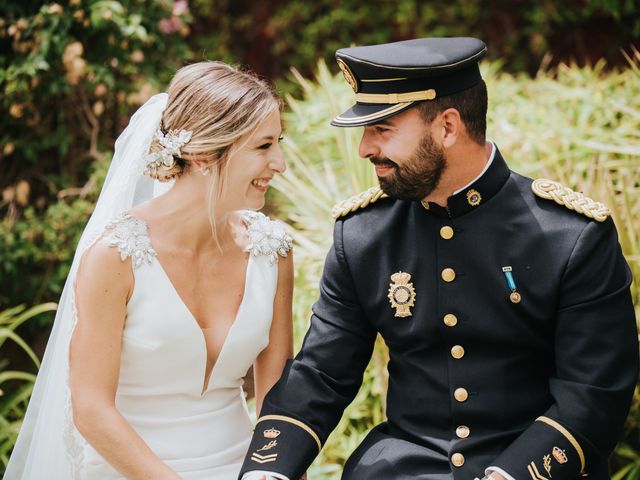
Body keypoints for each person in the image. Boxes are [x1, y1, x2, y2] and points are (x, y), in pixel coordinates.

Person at [239, 37, 638, 480]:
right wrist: (267, 472)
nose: (364, 149)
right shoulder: (364, 234)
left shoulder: (572, 236)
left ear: (447, 127)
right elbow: (321, 374)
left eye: (382, 129)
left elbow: (593, 393)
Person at [5, 61, 294, 479]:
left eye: (277, 142)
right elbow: (90, 407)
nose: (280, 163)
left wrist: (281, 472)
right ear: (202, 154)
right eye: (263, 146)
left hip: (240, 467)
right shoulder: (115, 257)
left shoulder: (273, 249)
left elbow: (277, 394)